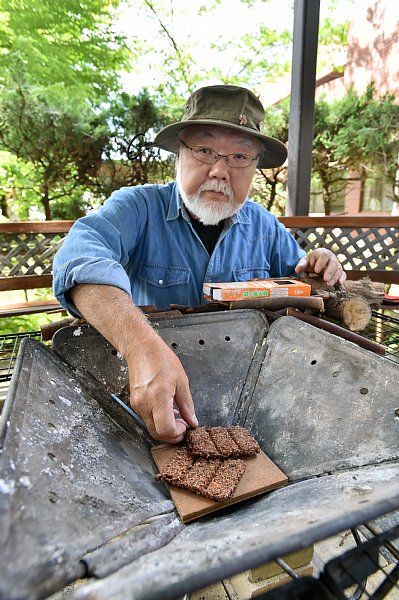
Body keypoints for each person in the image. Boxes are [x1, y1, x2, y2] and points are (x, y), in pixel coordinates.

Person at [53, 84, 346, 444]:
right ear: (179, 153)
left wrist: (320, 263)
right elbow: (79, 258)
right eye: (205, 150)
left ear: (255, 167)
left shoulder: (265, 225)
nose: (221, 171)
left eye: (240, 157)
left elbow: (298, 278)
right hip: (143, 397)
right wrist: (141, 346)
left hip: (244, 402)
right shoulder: (137, 207)